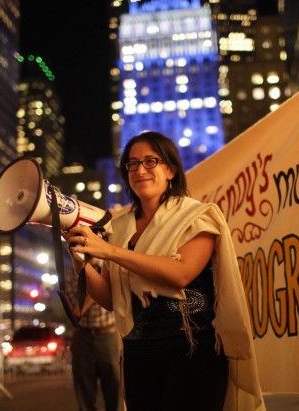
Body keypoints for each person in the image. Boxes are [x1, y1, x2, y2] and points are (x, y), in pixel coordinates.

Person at [64, 131, 264, 411]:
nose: (139, 170)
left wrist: (109, 251)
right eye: (132, 164)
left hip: (192, 352)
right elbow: (110, 299)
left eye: (150, 161)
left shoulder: (197, 216)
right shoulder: (120, 227)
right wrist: (81, 261)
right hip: (138, 355)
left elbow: (181, 273)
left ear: (171, 170)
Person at [64, 257, 121, 411]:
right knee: (84, 390)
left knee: (114, 386)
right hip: (83, 336)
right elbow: (76, 310)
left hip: (108, 334)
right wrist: (99, 286)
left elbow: (115, 298)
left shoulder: (110, 267)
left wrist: (100, 284)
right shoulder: (72, 274)